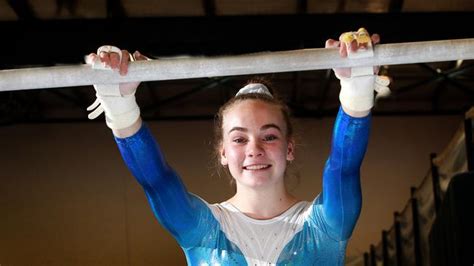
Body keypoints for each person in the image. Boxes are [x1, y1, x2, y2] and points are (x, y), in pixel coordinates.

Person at [85, 28, 390, 265]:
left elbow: (343, 167)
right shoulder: (201, 228)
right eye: (239, 139)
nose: (254, 149)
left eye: (269, 136)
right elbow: (156, 180)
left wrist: (356, 93)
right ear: (223, 152)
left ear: (289, 148)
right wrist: (120, 106)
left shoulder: (326, 224)